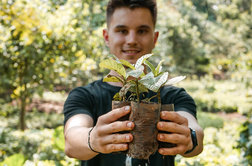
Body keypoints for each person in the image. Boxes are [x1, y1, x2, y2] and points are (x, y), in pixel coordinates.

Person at [63, 0, 204, 165]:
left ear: (155, 38)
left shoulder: (173, 96)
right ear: (107, 37)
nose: (131, 40)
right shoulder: (85, 96)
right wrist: (92, 138)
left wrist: (190, 138)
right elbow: (72, 138)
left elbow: (196, 134)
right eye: (122, 30)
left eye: (142, 30)